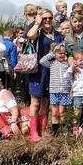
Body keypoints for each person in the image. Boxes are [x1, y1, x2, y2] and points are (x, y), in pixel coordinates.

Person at [24, 7, 63, 140]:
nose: (47, 20)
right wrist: (37, 22)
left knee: (46, 101)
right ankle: (34, 132)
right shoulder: (38, 32)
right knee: (35, 102)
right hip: (38, 70)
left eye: (49, 18)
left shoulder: (58, 35)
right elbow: (29, 35)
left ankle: (43, 129)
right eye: (44, 18)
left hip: (53, 71)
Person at [39, 41, 73, 136]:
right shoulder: (52, 63)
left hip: (65, 91)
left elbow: (71, 77)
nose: (62, 55)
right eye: (60, 53)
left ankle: (65, 129)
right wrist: (52, 53)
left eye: (63, 53)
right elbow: (42, 61)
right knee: (54, 112)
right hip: (54, 91)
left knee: (62, 112)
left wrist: (71, 89)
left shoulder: (67, 64)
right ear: (55, 54)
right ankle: (55, 131)